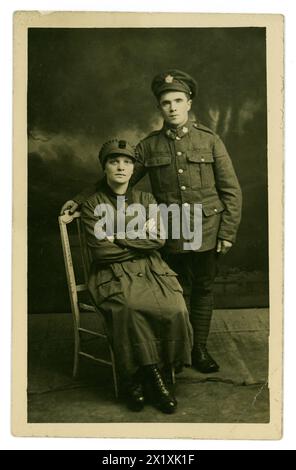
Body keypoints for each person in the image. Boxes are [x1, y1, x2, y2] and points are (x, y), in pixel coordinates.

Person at [61, 69, 242, 373]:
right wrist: (81, 198)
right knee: (172, 290)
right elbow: (120, 177)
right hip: (169, 231)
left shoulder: (210, 141)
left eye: (177, 100)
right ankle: (175, 353)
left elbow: (231, 190)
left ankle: (199, 351)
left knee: (203, 288)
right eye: (165, 102)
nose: (172, 107)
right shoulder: (148, 146)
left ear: (189, 103)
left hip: (206, 229)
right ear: (159, 107)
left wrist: (228, 231)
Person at [80, 138, 193, 414]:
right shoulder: (92, 204)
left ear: (133, 170)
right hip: (112, 273)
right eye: (114, 161)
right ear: (104, 167)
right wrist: (135, 240)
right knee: (129, 308)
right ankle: (141, 379)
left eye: (127, 162)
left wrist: (118, 237)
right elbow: (101, 252)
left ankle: (162, 373)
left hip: (151, 269)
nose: (121, 167)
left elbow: (157, 240)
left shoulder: (146, 199)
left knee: (175, 306)